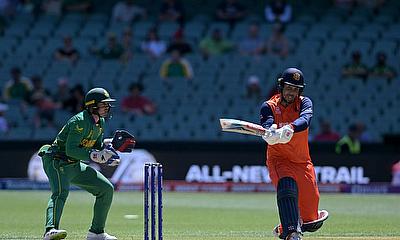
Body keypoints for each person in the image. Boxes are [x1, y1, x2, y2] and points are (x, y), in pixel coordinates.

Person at [39, 87, 120, 240]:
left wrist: (111, 146)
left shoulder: (100, 122)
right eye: (103, 104)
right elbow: (71, 150)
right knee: (60, 193)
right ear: (92, 106)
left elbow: (96, 145)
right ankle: (50, 230)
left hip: (74, 165)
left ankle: (96, 232)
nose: (107, 107)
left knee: (106, 189)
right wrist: (95, 155)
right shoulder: (79, 121)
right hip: (57, 161)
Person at [260, 68, 328, 240]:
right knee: (287, 187)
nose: (292, 92)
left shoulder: (305, 103)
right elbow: (268, 123)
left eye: (296, 89)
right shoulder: (268, 106)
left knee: (310, 222)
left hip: (302, 161)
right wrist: (271, 132)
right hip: (279, 159)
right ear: (281, 87)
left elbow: (305, 120)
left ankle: (287, 225)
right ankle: (291, 233)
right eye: (289, 87)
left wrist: (290, 127)